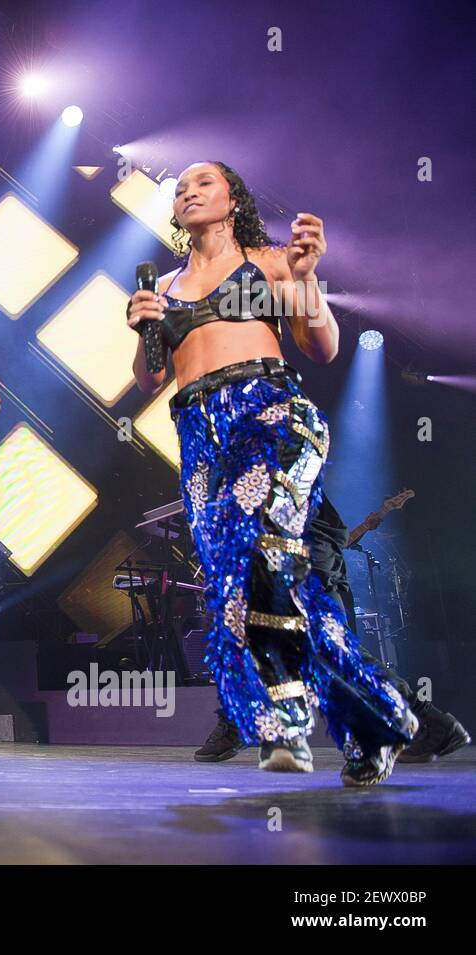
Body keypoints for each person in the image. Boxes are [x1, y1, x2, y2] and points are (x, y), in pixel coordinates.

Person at [128, 160, 416, 786]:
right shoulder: (167, 286)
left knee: (261, 563)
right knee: (243, 587)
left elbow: (324, 347)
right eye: (180, 189)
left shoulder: (274, 261)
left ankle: (284, 723)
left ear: (233, 200)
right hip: (200, 433)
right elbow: (148, 379)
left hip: (270, 413)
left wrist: (307, 280)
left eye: (203, 183)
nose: (188, 192)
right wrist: (142, 328)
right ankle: (375, 719)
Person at [195, 496, 469, 762]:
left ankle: (426, 723)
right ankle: (240, 719)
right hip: (292, 554)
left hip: (295, 557)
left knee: (329, 654)